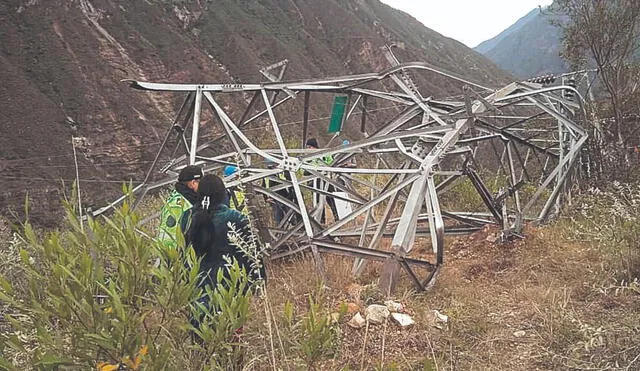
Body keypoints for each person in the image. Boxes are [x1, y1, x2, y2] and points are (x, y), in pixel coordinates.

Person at [180, 174, 265, 338]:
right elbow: (253, 256)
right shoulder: (235, 218)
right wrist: (258, 282)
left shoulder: (187, 218)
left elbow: (183, 254)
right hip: (229, 292)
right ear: (223, 194)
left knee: (201, 348)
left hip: (197, 296)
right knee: (231, 346)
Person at [157, 165, 203, 250]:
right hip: (176, 254)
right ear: (193, 183)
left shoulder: (185, 199)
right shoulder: (179, 205)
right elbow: (170, 235)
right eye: (200, 183)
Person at [305, 138, 338, 223]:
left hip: (325, 179)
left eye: (310, 147)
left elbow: (332, 163)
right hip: (313, 181)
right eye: (307, 147)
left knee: (331, 199)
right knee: (318, 202)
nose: (308, 149)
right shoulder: (307, 158)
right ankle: (321, 221)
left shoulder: (324, 154)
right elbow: (304, 171)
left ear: (314, 146)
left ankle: (337, 217)